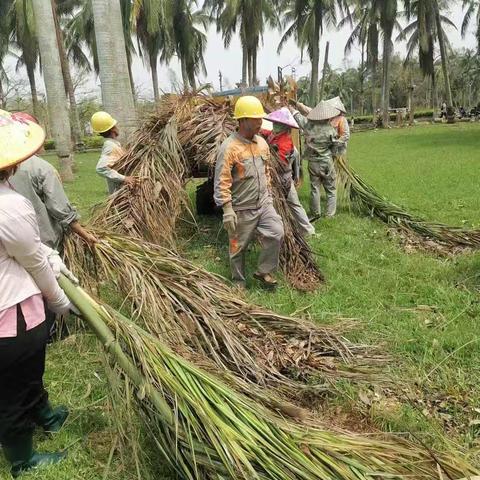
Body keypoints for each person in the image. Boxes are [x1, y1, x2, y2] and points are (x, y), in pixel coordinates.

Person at [0, 110, 78, 478]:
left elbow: (26, 249)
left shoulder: (7, 197)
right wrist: (60, 301)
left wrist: (48, 254)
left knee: (27, 372)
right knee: (14, 386)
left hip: (9, 309)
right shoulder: (8, 205)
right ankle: (22, 460)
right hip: (12, 312)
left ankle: (44, 415)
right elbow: (32, 261)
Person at [214, 96, 284, 289]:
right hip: (241, 208)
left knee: (276, 232)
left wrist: (268, 193)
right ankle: (238, 282)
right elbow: (222, 180)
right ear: (242, 120)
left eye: (261, 118)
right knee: (238, 247)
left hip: (263, 203)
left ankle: (264, 271)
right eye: (256, 119)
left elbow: (266, 170)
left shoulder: (262, 143)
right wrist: (227, 209)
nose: (260, 123)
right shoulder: (228, 148)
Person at [8, 113, 97, 251]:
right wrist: (83, 233)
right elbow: (59, 207)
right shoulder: (41, 168)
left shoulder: (5, 166)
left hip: (10, 242)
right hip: (44, 244)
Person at [263, 107, 315, 236]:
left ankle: (308, 231)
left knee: (293, 204)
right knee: (285, 205)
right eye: (274, 123)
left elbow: (278, 163)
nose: (275, 125)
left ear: (285, 127)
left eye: (278, 124)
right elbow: (266, 133)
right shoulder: (274, 134)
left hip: (282, 178)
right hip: (278, 177)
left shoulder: (285, 142)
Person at [289, 100, 340, 218]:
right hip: (327, 162)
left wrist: (291, 109)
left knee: (315, 188)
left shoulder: (309, 126)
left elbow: (298, 118)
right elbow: (335, 148)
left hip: (313, 163)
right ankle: (330, 214)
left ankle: (316, 213)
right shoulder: (331, 130)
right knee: (331, 189)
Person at [91, 111, 136, 194]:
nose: (117, 127)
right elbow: (101, 168)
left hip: (125, 190)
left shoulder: (114, 144)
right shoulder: (110, 146)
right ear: (112, 129)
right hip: (120, 191)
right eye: (115, 125)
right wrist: (124, 178)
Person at [326, 96, 350, 162]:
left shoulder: (342, 120)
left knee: (338, 168)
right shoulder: (329, 120)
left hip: (339, 150)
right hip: (329, 151)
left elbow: (346, 135)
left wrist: (336, 142)